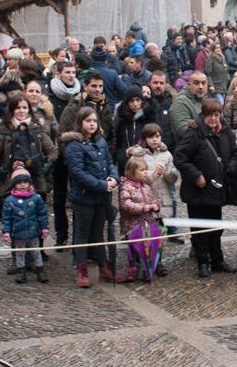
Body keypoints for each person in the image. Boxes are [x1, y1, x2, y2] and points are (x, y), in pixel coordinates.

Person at [173, 98, 237, 279]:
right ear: (203, 115)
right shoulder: (194, 133)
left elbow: (235, 153)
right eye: (210, 116)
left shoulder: (225, 132)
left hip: (216, 189)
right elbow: (180, 157)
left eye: (217, 115)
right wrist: (195, 175)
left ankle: (217, 260)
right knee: (200, 228)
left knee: (216, 227)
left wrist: (231, 166)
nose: (214, 119)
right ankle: (203, 262)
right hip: (198, 191)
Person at [61, 105, 118, 287]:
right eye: (88, 121)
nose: (92, 124)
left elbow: (109, 162)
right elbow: (78, 172)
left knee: (98, 234)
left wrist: (113, 178)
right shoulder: (74, 145)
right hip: (84, 197)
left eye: (94, 121)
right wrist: (102, 185)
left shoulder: (101, 142)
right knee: (82, 234)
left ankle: (103, 266)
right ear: (81, 123)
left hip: (101, 197)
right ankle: (82, 269)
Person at [125, 123, 179, 248]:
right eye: (151, 137)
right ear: (145, 138)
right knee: (144, 234)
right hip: (144, 201)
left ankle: (157, 262)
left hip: (162, 201)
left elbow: (173, 178)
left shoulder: (167, 154)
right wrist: (154, 174)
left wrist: (166, 172)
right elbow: (133, 177)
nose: (154, 139)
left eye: (157, 136)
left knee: (159, 234)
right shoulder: (137, 156)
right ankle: (141, 260)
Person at [0, 163, 49, 284]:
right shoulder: (9, 201)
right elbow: (6, 218)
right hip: (18, 232)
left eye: (25, 182)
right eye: (19, 183)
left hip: (33, 231)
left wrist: (44, 228)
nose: (22, 185)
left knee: (36, 252)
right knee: (20, 253)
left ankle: (40, 270)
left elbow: (42, 214)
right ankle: (21, 272)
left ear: (29, 184)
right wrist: (6, 231)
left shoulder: (36, 198)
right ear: (14, 185)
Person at [117, 155, 160, 283]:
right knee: (133, 248)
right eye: (142, 170)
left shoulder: (146, 187)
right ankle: (133, 268)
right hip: (131, 225)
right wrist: (144, 207)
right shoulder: (126, 187)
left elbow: (154, 199)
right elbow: (126, 204)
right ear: (132, 172)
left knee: (147, 247)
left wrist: (155, 206)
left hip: (146, 224)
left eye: (146, 169)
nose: (145, 172)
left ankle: (147, 269)